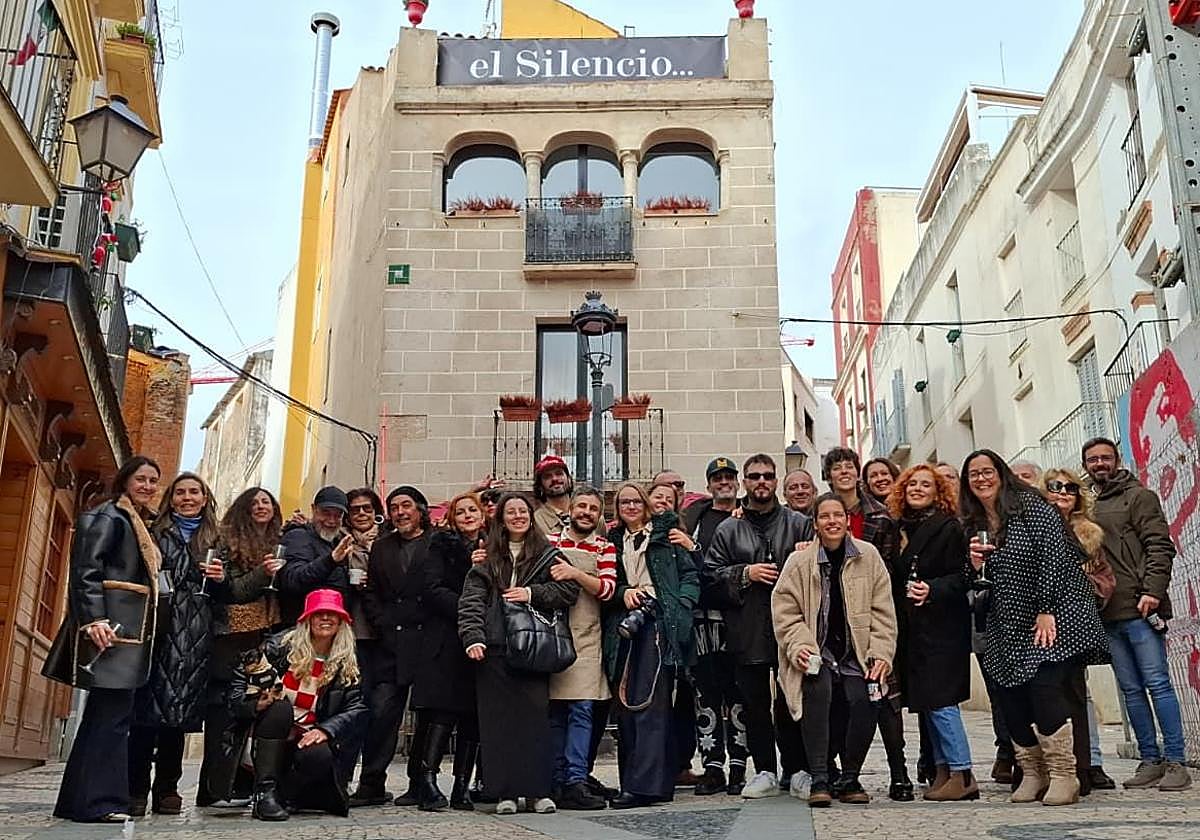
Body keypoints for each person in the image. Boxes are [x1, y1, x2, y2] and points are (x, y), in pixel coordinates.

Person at [961, 450, 1108, 806]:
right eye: (973, 474)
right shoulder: (975, 521)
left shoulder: (1031, 505)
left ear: (1001, 473)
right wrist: (972, 562)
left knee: (1046, 690)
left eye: (987, 471)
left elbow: (1054, 555)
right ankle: (1032, 772)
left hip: (1053, 613)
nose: (981, 478)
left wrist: (1046, 609)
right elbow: (972, 580)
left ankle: (1064, 775)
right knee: (1009, 697)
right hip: (1005, 621)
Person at [47, 456, 162, 822]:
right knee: (111, 718)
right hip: (110, 632)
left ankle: (78, 802)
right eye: (141, 479)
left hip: (124, 632)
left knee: (106, 716)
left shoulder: (135, 521)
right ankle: (100, 803)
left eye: (153, 481)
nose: (147, 486)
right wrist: (93, 619)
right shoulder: (108, 517)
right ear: (126, 481)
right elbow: (85, 572)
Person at [773, 493, 897, 808]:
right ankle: (820, 777)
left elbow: (883, 612)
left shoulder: (868, 556)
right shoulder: (798, 562)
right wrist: (799, 646)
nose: (832, 521)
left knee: (865, 697)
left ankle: (851, 777)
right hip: (818, 652)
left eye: (837, 515)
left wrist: (882, 653)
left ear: (846, 520)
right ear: (815, 524)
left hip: (858, 654)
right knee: (817, 690)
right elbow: (786, 611)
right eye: (825, 516)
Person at [459, 493, 580, 815]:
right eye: (510, 512)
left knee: (534, 722)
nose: (517, 516)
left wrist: (532, 593)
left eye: (522, 511)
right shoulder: (486, 558)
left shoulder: (547, 554)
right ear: (501, 519)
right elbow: (471, 600)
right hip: (494, 647)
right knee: (498, 725)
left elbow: (569, 590)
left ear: (531, 517)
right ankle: (505, 794)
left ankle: (538, 792)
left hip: (532, 648)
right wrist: (473, 637)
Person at [1083, 437, 1191, 791]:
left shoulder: (1139, 496)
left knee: (1158, 684)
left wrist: (1153, 592)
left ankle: (1176, 760)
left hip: (1141, 608)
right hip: (1107, 612)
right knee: (1130, 691)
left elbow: (1160, 546)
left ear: (1116, 460)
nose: (1099, 464)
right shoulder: (1086, 504)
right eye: (1092, 459)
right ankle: (1150, 760)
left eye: (1105, 457)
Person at [705, 454, 813, 799]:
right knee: (754, 705)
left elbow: (821, 572)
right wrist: (744, 574)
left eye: (767, 476)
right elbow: (708, 578)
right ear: (745, 483)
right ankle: (765, 769)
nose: (761, 482)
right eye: (754, 476)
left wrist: (802, 557)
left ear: (776, 480)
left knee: (792, 702)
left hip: (792, 629)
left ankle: (797, 769)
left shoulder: (798, 523)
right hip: (747, 627)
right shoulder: (728, 528)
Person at [129, 472, 223, 816]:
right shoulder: (155, 532)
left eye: (194, 492)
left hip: (197, 633)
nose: (187, 497)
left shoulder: (216, 536)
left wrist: (220, 579)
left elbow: (227, 592)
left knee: (177, 715)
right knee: (145, 714)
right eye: (180, 492)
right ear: (171, 498)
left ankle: (167, 788)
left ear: (204, 497)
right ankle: (135, 788)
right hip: (159, 628)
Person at [602, 482, 700, 808]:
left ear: (645, 505)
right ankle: (634, 781)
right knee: (627, 705)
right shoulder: (613, 542)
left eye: (635, 501)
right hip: (625, 626)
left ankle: (646, 786)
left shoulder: (667, 536)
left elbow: (691, 575)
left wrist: (682, 604)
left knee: (650, 706)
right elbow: (607, 585)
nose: (630, 507)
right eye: (624, 502)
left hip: (658, 622)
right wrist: (622, 594)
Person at [229, 589, 368, 821]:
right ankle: (264, 792)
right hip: (268, 732)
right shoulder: (279, 646)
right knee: (281, 709)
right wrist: (255, 704)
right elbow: (237, 685)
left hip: (306, 735)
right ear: (307, 619)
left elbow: (357, 708)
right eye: (319, 613)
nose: (326, 619)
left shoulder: (348, 661)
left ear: (342, 621)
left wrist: (326, 730)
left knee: (320, 755)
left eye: (332, 614)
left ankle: (285, 795)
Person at [888, 465, 976, 802]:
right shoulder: (900, 527)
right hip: (914, 629)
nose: (917, 489)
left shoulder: (949, 527)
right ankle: (942, 770)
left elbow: (963, 576)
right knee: (927, 702)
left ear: (938, 491)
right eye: (912, 483)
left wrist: (933, 589)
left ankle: (962, 771)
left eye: (926, 484)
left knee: (942, 701)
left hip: (942, 626)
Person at [823, 447, 905, 798]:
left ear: (857, 472)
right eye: (836, 467)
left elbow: (887, 572)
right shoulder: (821, 511)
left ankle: (898, 772)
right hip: (837, 625)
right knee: (845, 701)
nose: (843, 472)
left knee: (886, 696)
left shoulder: (881, 516)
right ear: (828, 475)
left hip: (873, 616)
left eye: (849, 466)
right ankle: (846, 773)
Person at [198, 487, 285, 808]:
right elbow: (232, 591)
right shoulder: (227, 540)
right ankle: (213, 788)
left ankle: (242, 785)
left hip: (262, 635)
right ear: (243, 510)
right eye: (254, 502)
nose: (261, 506)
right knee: (225, 714)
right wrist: (264, 573)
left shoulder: (278, 539)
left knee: (256, 709)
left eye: (267, 501)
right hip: (231, 637)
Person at [1040, 467, 1118, 791]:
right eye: (1055, 487)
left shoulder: (1089, 535)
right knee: (1044, 696)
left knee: (1075, 694)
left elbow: (1106, 579)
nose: (1062, 493)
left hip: (1075, 623)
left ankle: (1086, 767)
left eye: (1070, 489)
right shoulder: (1031, 530)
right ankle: (1052, 769)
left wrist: (1081, 585)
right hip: (1040, 624)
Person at [353, 486, 432, 807]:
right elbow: (371, 592)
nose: (400, 512)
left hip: (428, 643)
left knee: (427, 717)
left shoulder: (437, 543)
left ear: (420, 510)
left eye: (406, 506)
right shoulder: (382, 547)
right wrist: (383, 623)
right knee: (381, 714)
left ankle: (420, 783)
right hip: (391, 644)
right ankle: (371, 782)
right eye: (394, 507)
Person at [414, 492, 487, 811]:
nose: (468, 515)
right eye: (461, 512)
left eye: (473, 510)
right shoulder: (441, 545)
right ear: (452, 518)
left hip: (482, 638)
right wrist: (468, 609)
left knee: (473, 714)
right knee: (443, 710)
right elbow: (431, 588)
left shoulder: (492, 545)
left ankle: (462, 785)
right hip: (447, 638)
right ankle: (427, 781)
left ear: (483, 515)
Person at [547, 486, 617, 810]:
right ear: (571, 509)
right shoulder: (549, 543)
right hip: (554, 636)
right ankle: (556, 779)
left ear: (599, 514)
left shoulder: (605, 547)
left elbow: (607, 589)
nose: (586, 512)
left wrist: (574, 573)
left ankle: (576, 778)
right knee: (556, 713)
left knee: (583, 710)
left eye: (593, 508)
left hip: (588, 638)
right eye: (582, 506)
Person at [682, 458, 749, 796]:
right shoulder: (697, 518)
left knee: (737, 692)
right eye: (717, 478)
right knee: (704, 693)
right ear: (709, 484)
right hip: (701, 617)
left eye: (729, 477)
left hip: (738, 617)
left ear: (737, 482)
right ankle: (712, 765)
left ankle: (739, 765)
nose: (724, 482)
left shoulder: (749, 515)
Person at [278, 486, 354, 625]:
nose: (331, 520)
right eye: (326, 513)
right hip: (303, 628)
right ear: (313, 509)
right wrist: (330, 560)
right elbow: (293, 579)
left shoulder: (336, 541)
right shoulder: (298, 537)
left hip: (330, 627)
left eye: (337, 515)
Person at [533, 455, 574, 536]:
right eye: (547, 476)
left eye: (559, 474)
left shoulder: (589, 512)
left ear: (569, 479)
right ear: (540, 486)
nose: (554, 479)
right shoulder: (536, 521)